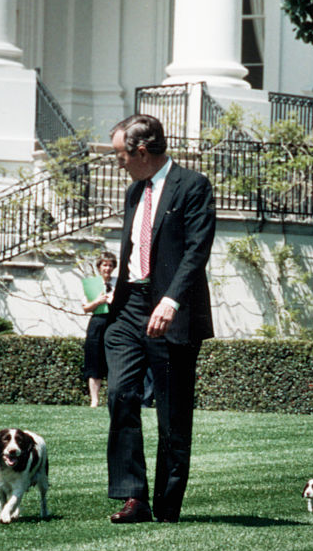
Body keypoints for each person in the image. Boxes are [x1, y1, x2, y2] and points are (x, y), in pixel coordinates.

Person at [103, 113, 216, 524]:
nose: (118, 163)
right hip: (129, 308)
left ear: (142, 151)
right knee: (120, 394)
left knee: (172, 415)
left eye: (120, 155)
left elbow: (196, 250)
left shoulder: (193, 186)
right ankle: (134, 497)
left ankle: (168, 508)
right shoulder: (136, 192)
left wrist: (171, 301)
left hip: (172, 312)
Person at [82, 251, 117, 408]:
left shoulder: (119, 283)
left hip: (115, 323)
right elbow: (86, 308)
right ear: (99, 267)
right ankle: (94, 401)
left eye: (110, 265)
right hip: (97, 323)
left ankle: (113, 399)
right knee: (94, 362)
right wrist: (98, 301)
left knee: (114, 362)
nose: (107, 268)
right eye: (104, 265)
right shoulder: (91, 284)